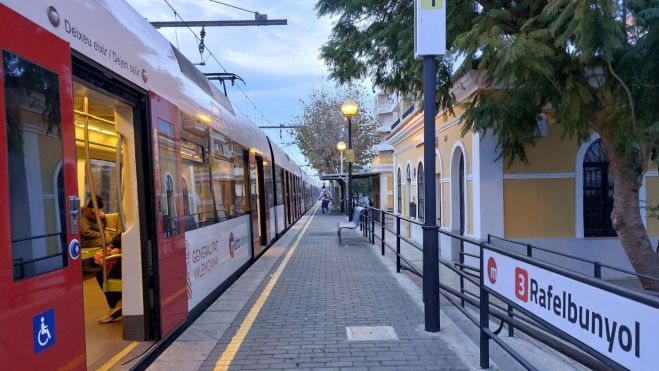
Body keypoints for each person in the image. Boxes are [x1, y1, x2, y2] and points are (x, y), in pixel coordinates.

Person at [81, 195, 122, 323]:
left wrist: (103, 218)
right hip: (87, 240)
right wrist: (101, 235)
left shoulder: (95, 215)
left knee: (108, 240)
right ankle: (116, 303)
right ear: (92, 207)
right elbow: (85, 232)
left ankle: (116, 303)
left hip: (96, 237)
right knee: (107, 239)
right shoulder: (84, 215)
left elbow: (103, 226)